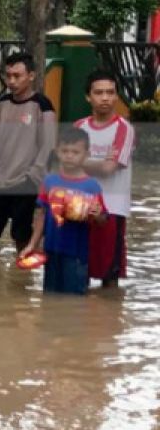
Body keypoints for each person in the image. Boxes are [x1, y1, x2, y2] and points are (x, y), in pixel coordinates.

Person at [0, 52, 57, 252]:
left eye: (17, 76)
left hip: (26, 182)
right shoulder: (2, 104)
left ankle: (20, 280)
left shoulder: (42, 106)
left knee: (22, 238)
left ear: (31, 76)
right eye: (8, 75)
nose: (11, 81)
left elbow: (48, 146)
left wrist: (33, 177)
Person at [20, 127, 107, 294]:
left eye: (75, 152)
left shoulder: (92, 186)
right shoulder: (49, 181)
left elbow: (102, 220)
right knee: (50, 296)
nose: (69, 155)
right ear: (57, 152)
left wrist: (98, 216)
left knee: (74, 300)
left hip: (77, 254)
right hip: (51, 251)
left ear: (86, 155)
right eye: (65, 151)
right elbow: (41, 214)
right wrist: (33, 244)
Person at [76, 69, 136, 288]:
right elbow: (68, 167)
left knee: (109, 278)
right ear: (88, 96)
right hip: (80, 208)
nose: (105, 98)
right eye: (99, 92)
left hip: (112, 210)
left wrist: (83, 162)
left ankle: (110, 321)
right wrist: (98, 164)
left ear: (116, 96)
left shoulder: (124, 129)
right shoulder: (79, 127)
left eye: (110, 93)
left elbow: (109, 169)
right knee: (79, 271)